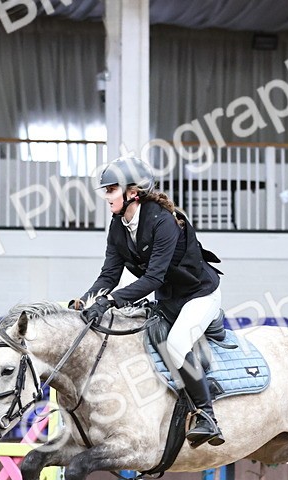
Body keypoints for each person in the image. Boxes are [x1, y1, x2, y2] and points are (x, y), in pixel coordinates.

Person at [77, 156, 225, 447]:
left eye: (111, 190)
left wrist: (110, 302)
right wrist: (86, 300)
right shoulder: (118, 226)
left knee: (177, 344)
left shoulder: (163, 222)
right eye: (106, 191)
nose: (107, 197)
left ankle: (207, 416)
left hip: (199, 295)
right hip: (169, 301)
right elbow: (108, 274)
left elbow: (154, 279)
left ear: (133, 192)